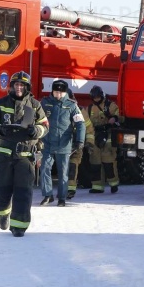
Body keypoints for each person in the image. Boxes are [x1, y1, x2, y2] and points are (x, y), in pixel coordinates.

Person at [0, 71, 49, 237]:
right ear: (11, 86)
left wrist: (37, 130)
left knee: (23, 192)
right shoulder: (1, 103)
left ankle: (19, 226)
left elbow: (45, 126)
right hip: (4, 156)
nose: (19, 87)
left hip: (25, 157)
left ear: (27, 87)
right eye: (16, 85)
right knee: (0, 190)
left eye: (22, 85)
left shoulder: (35, 105)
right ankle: (2, 214)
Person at [39, 79, 85, 207]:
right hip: (47, 143)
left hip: (63, 144)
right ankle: (48, 195)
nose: (58, 95)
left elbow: (80, 124)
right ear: (52, 92)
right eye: (56, 92)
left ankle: (62, 198)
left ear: (65, 93)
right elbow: (36, 118)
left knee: (63, 172)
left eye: (61, 93)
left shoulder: (72, 106)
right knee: (45, 169)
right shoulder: (45, 103)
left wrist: (80, 140)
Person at [86, 85, 122, 194]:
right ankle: (97, 186)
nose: (96, 99)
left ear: (101, 95)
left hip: (108, 135)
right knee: (95, 162)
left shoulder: (109, 105)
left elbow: (120, 114)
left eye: (98, 97)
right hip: (95, 135)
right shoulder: (90, 108)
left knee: (108, 161)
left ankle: (113, 184)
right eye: (94, 97)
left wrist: (114, 118)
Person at [66, 88, 94, 199]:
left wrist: (89, 143)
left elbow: (88, 128)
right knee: (63, 167)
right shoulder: (57, 108)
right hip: (61, 144)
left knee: (73, 166)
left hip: (76, 143)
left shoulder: (80, 110)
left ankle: (70, 190)